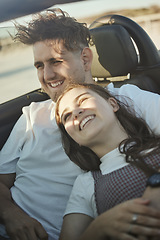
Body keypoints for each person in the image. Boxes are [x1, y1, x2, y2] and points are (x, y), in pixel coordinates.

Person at [0, 8, 160, 240]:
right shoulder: (32, 116)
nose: (47, 75)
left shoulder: (127, 99)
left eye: (55, 61)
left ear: (85, 58)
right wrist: (10, 213)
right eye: (39, 66)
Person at [55, 83, 160, 240]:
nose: (76, 112)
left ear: (113, 104)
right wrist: (98, 228)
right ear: (74, 139)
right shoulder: (87, 183)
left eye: (83, 100)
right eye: (67, 116)